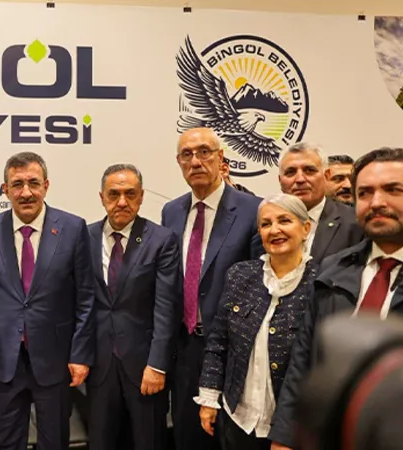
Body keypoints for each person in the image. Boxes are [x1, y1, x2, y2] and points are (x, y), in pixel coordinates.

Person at [269, 147, 403, 450]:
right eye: (365, 193)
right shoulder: (333, 269)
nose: (377, 202)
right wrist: (284, 437)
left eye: (393, 190)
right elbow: (303, 361)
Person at [0, 151, 95, 450]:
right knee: (6, 441)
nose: (26, 192)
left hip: (56, 359)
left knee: (54, 440)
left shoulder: (73, 228)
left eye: (33, 183)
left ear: (46, 186)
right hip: (5, 359)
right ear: (5, 189)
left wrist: (80, 355)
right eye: (17, 184)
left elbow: (86, 298)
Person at [160, 127, 262, 450]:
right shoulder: (171, 211)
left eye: (204, 152)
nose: (196, 161)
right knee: (187, 437)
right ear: (179, 162)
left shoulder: (253, 210)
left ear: (221, 158)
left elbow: (260, 285)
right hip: (186, 348)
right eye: (187, 155)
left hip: (234, 351)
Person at [197, 193, 317, 450]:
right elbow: (218, 342)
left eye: (284, 220)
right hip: (238, 418)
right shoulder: (240, 275)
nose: (275, 230)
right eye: (266, 224)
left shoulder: (320, 284)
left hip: (291, 427)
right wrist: (209, 397)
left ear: (305, 228)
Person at [87, 164, 181, 450]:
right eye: (113, 194)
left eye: (130, 194)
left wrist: (157, 364)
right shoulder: (84, 237)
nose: (122, 202)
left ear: (141, 197)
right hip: (98, 365)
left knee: (147, 442)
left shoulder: (161, 240)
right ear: (101, 197)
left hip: (144, 366)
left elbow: (166, 308)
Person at [278, 143, 363, 265]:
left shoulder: (356, 222)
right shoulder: (265, 224)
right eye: (290, 172)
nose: (300, 179)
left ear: (326, 176)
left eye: (309, 171)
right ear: (280, 181)